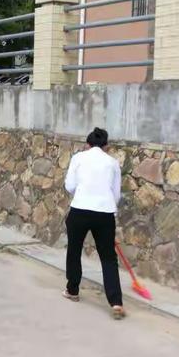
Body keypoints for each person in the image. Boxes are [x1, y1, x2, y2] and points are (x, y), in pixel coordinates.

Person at [63, 127, 125, 320]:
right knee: (108, 257)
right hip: (104, 213)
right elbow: (116, 194)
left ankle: (73, 290)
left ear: (87, 144)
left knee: (74, 250)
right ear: (106, 146)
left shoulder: (78, 158)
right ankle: (116, 302)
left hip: (80, 209)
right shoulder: (113, 163)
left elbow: (70, 186)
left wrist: (83, 194)